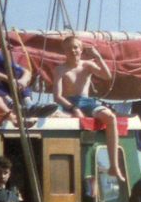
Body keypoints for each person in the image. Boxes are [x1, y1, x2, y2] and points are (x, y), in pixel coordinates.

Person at [52, 35, 126, 183]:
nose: (74, 51)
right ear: (65, 52)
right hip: (68, 102)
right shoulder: (60, 69)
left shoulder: (88, 65)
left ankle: (114, 165)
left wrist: (98, 57)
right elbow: (57, 97)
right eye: (70, 48)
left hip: (86, 102)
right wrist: (73, 108)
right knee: (53, 116)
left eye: (76, 47)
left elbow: (107, 75)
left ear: (81, 50)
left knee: (110, 118)